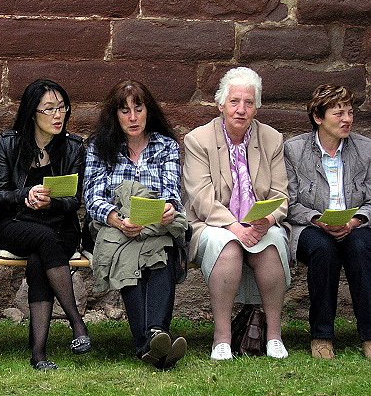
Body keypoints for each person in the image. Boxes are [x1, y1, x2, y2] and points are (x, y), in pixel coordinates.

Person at [183, 66, 291, 360]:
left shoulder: (272, 139)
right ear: (221, 104)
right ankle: (222, 338)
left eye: (248, 103)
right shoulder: (198, 140)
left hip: (259, 223)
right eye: (234, 102)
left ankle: (274, 336)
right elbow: (202, 198)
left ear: (256, 107)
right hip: (212, 223)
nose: (241, 109)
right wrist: (234, 227)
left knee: (272, 243)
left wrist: (268, 220)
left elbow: (280, 194)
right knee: (228, 247)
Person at [0, 79, 91, 371]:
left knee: (39, 259)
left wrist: (51, 203)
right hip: (15, 224)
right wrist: (25, 195)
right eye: (49, 109)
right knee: (43, 240)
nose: (58, 115)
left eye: (62, 108)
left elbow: (74, 200)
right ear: (32, 113)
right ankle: (76, 322)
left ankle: (39, 354)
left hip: (59, 227)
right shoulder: (9, 143)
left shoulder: (73, 147)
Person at [84, 80, 188, 369]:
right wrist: (118, 220)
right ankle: (156, 339)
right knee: (129, 252)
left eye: (138, 109)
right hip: (115, 225)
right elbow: (92, 197)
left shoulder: (166, 146)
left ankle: (149, 342)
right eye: (125, 111)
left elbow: (172, 192)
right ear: (114, 115)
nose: (133, 117)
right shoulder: (99, 147)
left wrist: (168, 208)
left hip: (156, 224)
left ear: (148, 111)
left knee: (163, 248)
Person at [284, 84, 371, 359]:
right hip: (311, 226)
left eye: (350, 112)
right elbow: (289, 203)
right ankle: (322, 335)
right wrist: (317, 220)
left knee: (361, 248)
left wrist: (355, 220)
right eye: (338, 113)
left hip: (355, 225)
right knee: (323, 249)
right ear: (318, 117)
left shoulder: (366, 149)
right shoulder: (294, 150)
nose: (347, 119)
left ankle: (369, 335)